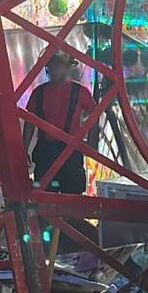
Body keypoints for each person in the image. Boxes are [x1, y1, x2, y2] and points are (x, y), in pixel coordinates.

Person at [23, 51, 99, 194]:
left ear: (67, 68)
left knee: (72, 195)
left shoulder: (80, 91)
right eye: (51, 66)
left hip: (70, 150)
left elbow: (94, 117)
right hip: (45, 150)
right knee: (46, 195)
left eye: (57, 66)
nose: (53, 70)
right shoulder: (38, 92)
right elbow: (29, 122)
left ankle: (71, 217)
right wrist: (24, 148)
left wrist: (92, 144)